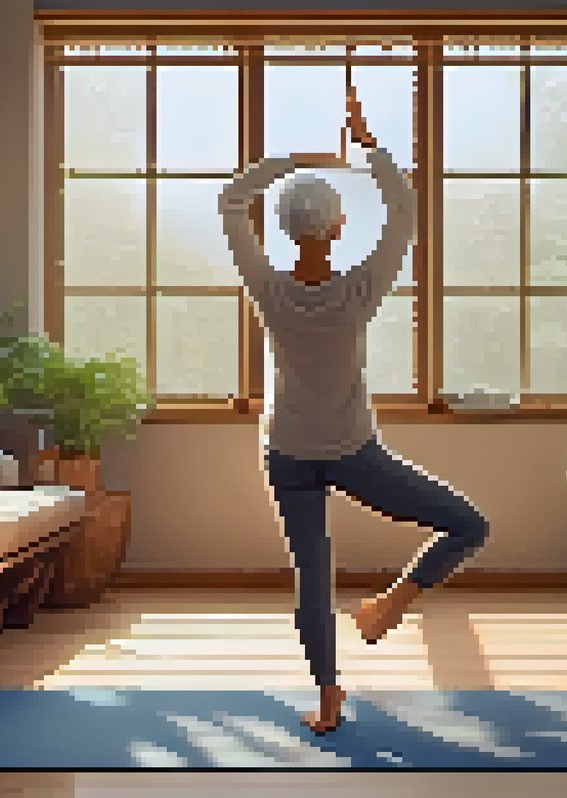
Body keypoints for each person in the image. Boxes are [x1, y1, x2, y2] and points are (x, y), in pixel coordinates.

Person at [217, 87, 490, 734]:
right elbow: (404, 208)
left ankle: (329, 693)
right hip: (351, 451)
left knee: (313, 576)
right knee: (467, 526)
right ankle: (394, 603)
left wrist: (292, 160)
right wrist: (365, 145)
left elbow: (231, 201)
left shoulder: (269, 291)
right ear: (338, 227)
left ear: (283, 228)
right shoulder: (360, 290)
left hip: (285, 451)